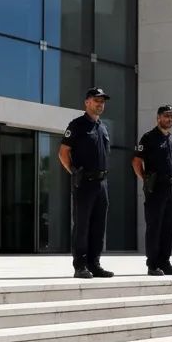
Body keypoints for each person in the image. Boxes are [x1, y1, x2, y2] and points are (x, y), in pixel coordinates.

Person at [58, 87, 115, 279]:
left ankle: (94, 263)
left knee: (99, 226)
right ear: (87, 102)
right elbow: (63, 153)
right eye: (96, 100)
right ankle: (80, 266)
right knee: (82, 226)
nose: (100, 104)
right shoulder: (76, 125)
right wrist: (73, 172)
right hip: (84, 183)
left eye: (102, 101)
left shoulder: (103, 127)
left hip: (102, 184)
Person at [133, 105, 172, 276]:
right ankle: (153, 264)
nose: (170, 119)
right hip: (156, 188)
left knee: (168, 226)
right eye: (167, 116)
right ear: (158, 117)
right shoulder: (148, 138)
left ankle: (165, 262)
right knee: (154, 226)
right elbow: (136, 162)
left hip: (171, 188)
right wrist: (146, 180)